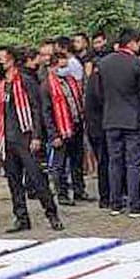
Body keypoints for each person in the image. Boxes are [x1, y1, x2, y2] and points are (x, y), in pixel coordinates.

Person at [0, 46, 64, 232]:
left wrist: (36, 136)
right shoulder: (1, 85)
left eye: (2, 59)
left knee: (37, 179)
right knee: (14, 182)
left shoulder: (25, 81)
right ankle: (21, 217)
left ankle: (52, 214)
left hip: (25, 138)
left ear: (12, 60)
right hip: (7, 140)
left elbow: (36, 109)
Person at [97, 28, 140, 218]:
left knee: (115, 162)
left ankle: (115, 203)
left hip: (111, 118)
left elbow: (99, 93)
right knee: (133, 163)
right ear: (132, 43)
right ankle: (135, 204)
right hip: (133, 118)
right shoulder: (138, 64)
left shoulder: (103, 63)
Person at [41, 47, 88, 206]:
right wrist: (53, 134)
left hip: (75, 126)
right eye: (61, 67)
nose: (65, 69)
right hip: (60, 129)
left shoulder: (70, 80)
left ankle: (79, 190)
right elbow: (46, 113)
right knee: (59, 165)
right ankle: (62, 194)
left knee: (77, 160)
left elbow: (76, 101)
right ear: (53, 67)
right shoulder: (47, 86)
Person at [83, 48, 110, 210]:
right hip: (99, 127)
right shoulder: (98, 80)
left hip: (95, 126)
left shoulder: (93, 80)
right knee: (105, 162)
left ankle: (106, 196)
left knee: (103, 162)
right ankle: (106, 196)